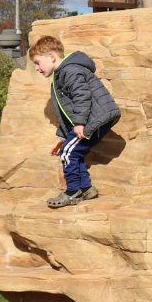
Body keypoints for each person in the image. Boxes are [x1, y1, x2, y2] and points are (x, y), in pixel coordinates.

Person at [28, 35, 120, 208]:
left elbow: (82, 96)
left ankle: (72, 192)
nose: (37, 69)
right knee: (74, 152)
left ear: (51, 56)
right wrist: (62, 137)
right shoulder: (61, 75)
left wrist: (79, 123)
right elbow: (66, 113)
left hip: (94, 118)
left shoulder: (69, 71)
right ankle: (86, 189)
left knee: (68, 153)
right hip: (91, 119)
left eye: (38, 63)